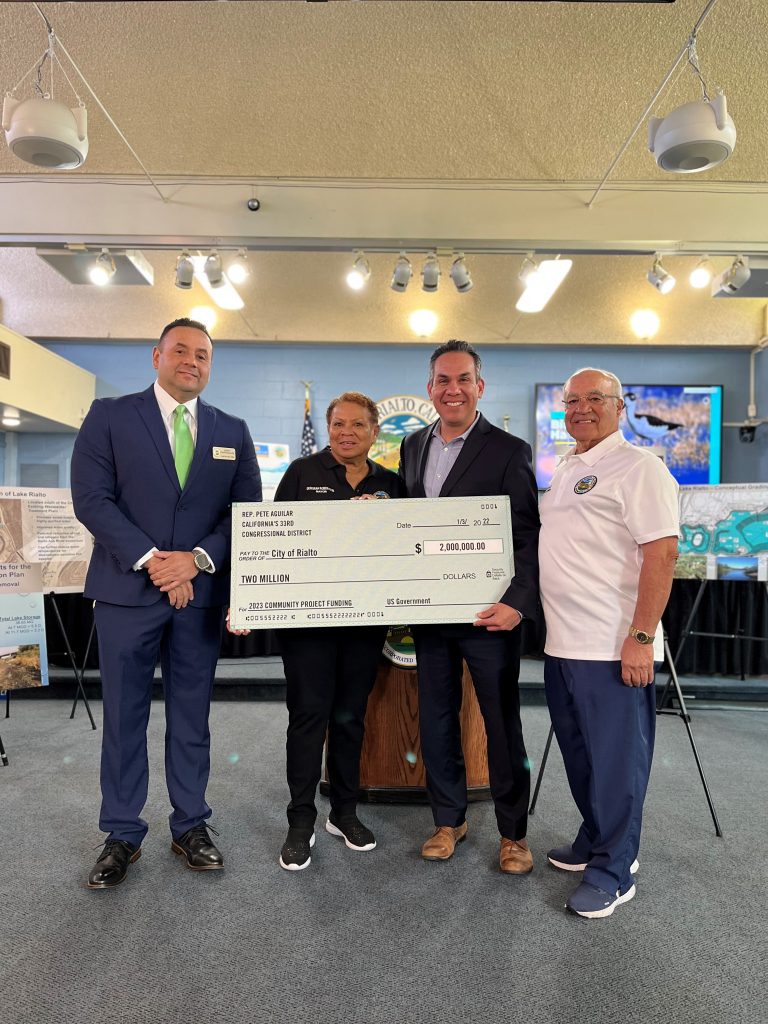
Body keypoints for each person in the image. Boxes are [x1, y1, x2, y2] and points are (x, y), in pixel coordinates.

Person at [71, 317, 261, 888]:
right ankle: (121, 832)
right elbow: (92, 499)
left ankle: (191, 825)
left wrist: (196, 560)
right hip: (127, 593)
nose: (191, 361)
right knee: (123, 716)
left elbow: (245, 514)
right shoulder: (109, 416)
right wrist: (155, 561)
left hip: (197, 598)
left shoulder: (233, 430)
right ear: (156, 356)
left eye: (203, 355)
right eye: (181, 350)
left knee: (191, 717)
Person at [539, 367, 679, 919]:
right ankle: (596, 838)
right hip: (562, 644)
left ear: (620, 407)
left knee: (617, 764)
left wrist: (641, 637)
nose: (582, 408)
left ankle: (614, 871)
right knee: (580, 757)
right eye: (572, 400)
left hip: (611, 646)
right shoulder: (567, 468)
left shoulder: (640, 468)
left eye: (595, 398)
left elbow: (662, 554)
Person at [398, 340, 540, 873]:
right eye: (442, 379)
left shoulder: (509, 450)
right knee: (436, 720)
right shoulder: (412, 445)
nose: (452, 389)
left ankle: (513, 834)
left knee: (501, 725)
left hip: (489, 615)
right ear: (429, 388)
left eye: (462, 379)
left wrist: (516, 604)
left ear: (480, 387)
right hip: (431, 613)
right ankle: (448, 820)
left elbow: (527, 535)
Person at [273, 392, 403, 871]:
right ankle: (300, 821)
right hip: (307, 623)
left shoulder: (391, 483)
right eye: (338, 424)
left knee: (350, 718)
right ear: (328, 429)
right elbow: (273, 539)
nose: (347, 433)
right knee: (308, 718)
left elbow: (403, 548)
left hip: (364, 623)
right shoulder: (301, 473)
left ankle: (344, 812)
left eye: (358, 425)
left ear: (374, 432)